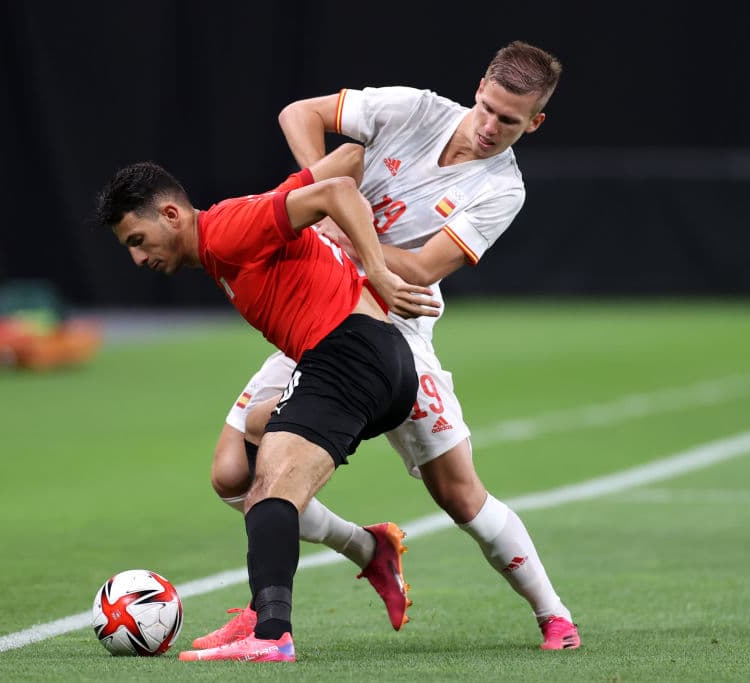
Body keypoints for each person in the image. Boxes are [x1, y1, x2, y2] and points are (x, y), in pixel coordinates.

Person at [200, 40, 581, 651]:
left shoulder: (502, 189)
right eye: (487, 108)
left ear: (534, 123)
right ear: (479, 88)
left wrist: (339, 225)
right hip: (319, 310)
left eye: (509, 121)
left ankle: (553, 614)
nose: (489, 127)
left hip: (393, 327)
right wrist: (318, 185)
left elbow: (425, 268)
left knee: (458, 494)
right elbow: (298, 113)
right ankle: (362, 549)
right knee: (234, 474)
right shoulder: (414, 109)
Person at [95, 143, 440, 662]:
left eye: (138, 241)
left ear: (171, 215)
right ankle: (320, 579)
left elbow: (339, 190)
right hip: (361, 360)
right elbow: (346, 159)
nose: (138, 258)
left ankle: (272, 633)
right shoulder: (231, 234)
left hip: (351, 353)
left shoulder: (227, 229)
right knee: (241, 461)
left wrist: (379, 271)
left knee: (272, 490)